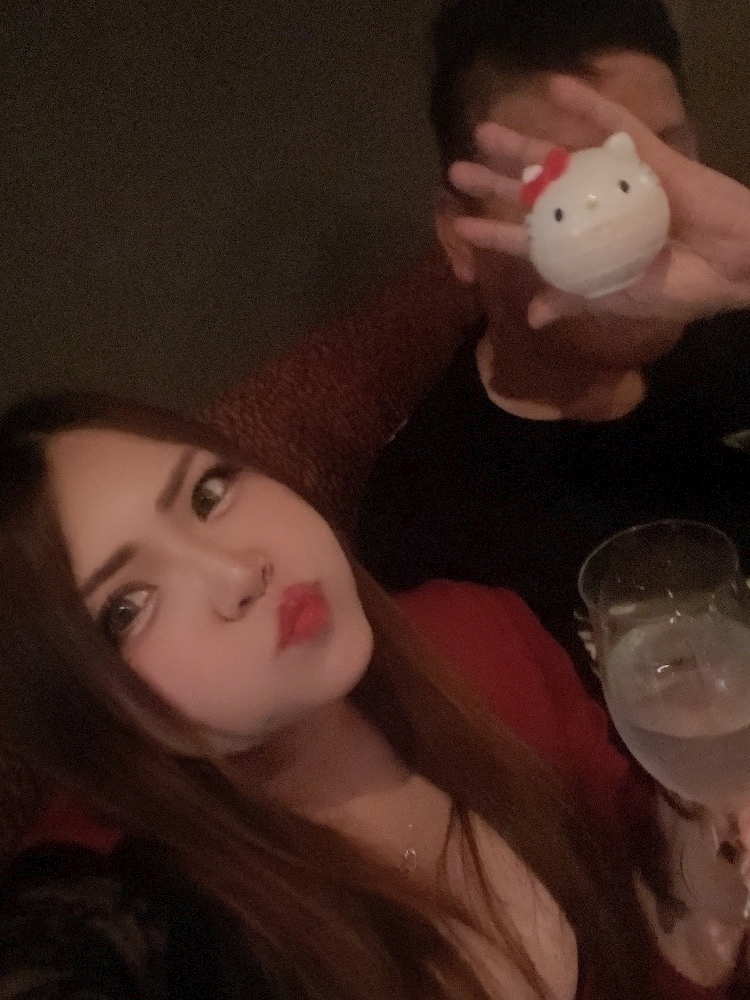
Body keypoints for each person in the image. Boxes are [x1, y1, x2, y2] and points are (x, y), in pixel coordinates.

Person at [0, 392, 748, 998]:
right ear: (80, 711)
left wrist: (703, 885)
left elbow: (641, 910)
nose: (238, 571)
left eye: (207, 493)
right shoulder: (124, 892)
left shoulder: (478, 634)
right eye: (126, 607)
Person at [356, 0, 750, 685]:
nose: (637, 223)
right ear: (460, 237)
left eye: (655, 163)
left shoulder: (734, 313)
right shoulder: (433, 528)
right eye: (568, 188)